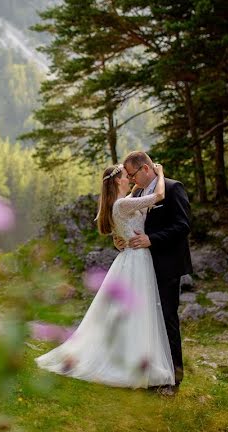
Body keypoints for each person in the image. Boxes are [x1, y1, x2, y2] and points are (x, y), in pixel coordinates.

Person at [35, 161, 175, 388]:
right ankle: (128, 363)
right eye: (125, 174)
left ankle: (133, 358)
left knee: (132, 313)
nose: (129, 176)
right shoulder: (121, 205)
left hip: (133, 258)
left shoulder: (122, 202)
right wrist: (160, 173)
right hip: (136, 260)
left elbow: (130, 210)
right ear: (117, 180)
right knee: (135, 312)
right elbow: (159, 195)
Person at [113, 151, 192, 395]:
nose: (131, 179)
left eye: (133, 174)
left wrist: (152, 239)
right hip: (141, 267)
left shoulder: (172, 188)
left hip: (166, 264)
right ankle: (151, 372)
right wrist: (121, 240)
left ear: (146, 169)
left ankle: (174, 379)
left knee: (168, 318)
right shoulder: (135, 194)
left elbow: (183, 225)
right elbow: (128, 225)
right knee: (147, 320)